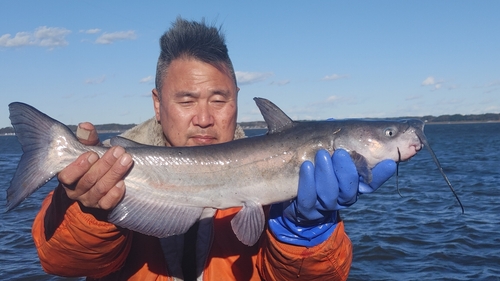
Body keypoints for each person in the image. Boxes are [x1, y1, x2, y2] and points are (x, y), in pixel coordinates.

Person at [31, 18, 396, 281]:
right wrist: (89, 210)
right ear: (158, 105)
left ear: (237, 100)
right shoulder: (111, 168)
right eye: (186, 100)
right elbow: (63, 263)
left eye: (219, 99)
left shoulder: (285, 187)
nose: (204, 118)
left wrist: (305, 236)